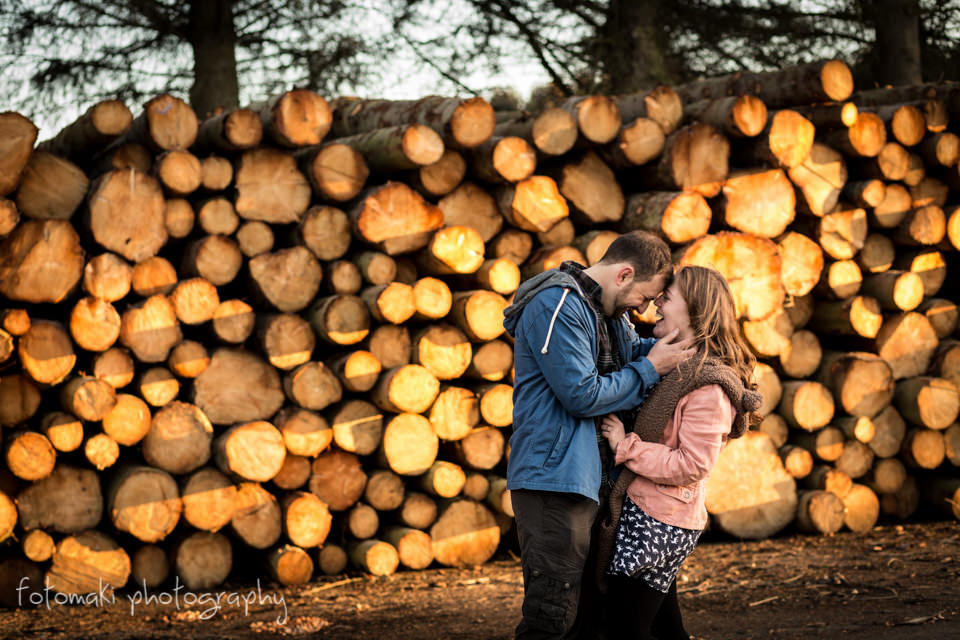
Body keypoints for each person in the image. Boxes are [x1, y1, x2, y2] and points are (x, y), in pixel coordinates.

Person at [502, 230, 695, 639]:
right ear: (624, 274)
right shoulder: (556, 305)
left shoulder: (611, 316)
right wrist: (650, 368)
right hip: (554, 482)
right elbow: (581, 394)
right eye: (644, 297)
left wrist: (694, 349)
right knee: (552, 615)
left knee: (589, 618)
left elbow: (637, 356)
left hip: (592, 481)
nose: (644, 308)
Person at [596, 265, 763, 640]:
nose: (656, 302)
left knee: (626, 627)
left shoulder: (708, 388)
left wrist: (627, 447)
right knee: (665, 626)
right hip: (653, 512)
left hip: (660, 521)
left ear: (696, 313)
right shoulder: (679, 370)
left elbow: (693, 464)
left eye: (667, 298)